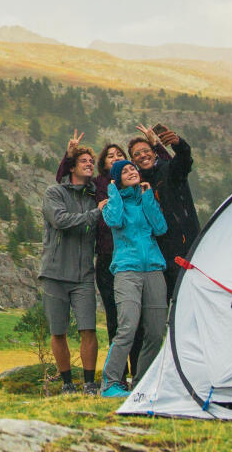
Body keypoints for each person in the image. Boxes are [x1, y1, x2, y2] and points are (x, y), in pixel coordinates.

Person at [99, 158, 167, 397]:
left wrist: (148, 198)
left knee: (157, 331)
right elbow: (114, 221)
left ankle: (141, 384)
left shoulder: (146, 199)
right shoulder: (114, 203)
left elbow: (160, 228)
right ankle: (110, 384)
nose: (131, 171)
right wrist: (113, 191)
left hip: (154, 269)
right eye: (124, 171)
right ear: (117, 179)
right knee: (127, 326)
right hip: (127, 270)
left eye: (132, 168)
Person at [38, 144, 101, 395]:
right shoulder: (54, 193)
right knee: (58, 330)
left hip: (84, 274)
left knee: (88, 328)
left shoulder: (95, 195)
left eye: (91, 161)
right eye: (83, 161)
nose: (89, 164)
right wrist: (96, 215)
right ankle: (67, 384)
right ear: (72, 167)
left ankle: (89, 383)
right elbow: (60, 220)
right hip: (54, 273)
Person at [56, 133, 129, 345]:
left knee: (136, 317)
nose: (115, 158)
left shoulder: (136, 182)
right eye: (110, 156)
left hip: (133, 257)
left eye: (120, 154)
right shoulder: (96, 185)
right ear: (104, 163)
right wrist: (69, 156)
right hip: (108, 256)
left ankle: (140, 373)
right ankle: (118, 374)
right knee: (114, 316)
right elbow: (64, 180)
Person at [128, 122, 201, 299]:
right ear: (133, 161)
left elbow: (184, 160)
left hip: (186, 248)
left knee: (190, 300)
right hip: (158, 257)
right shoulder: (136, 186)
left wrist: (178, 143)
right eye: (137, 154)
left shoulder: (169, 171)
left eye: (146, 151)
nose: (142, 155)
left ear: (154, 153)